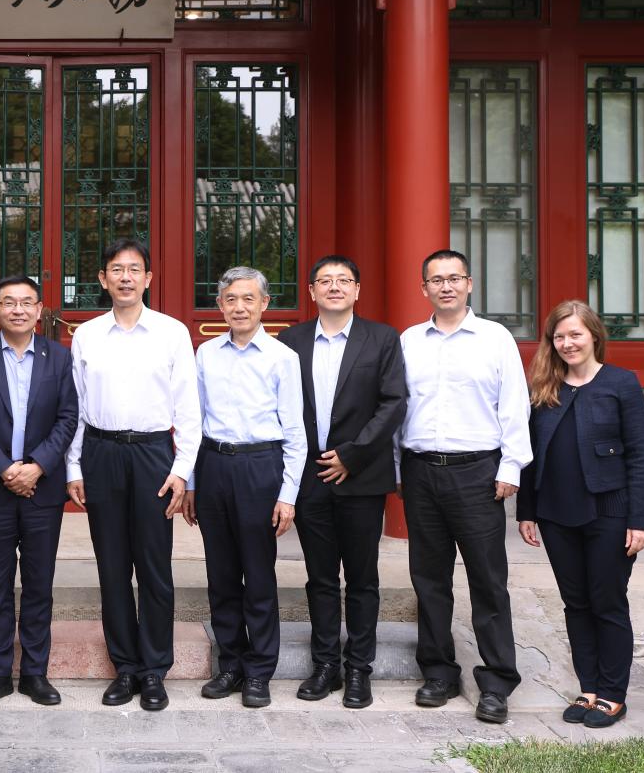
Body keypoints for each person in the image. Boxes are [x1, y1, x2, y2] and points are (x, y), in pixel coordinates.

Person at [65, 238, 201, 712]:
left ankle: (154, 668)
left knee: (154, 565)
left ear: (148, 278)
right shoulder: (87, 335)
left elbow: (188, 408)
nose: (125, 277)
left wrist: (182, 470)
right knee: (112, 565)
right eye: (116, 269)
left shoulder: (171, 332)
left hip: (152, 455)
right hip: (101, 452)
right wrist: (74, 465)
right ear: (103, 279)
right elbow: (77, 406)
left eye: (134, 269)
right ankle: (124, 666)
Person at [396, 249, 532, 723]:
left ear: (469, 284)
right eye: (436, 280)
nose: (446, 286)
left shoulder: (495, 339)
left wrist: (511, 467)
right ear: (424, 289)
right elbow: (398, 408)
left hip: (478, 473)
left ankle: (496, 682)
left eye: (454, 278)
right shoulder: (410, 341)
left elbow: (514, 404)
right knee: (429, 578)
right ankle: (438, 672)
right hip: (420, 471)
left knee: (488, 580)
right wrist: (397, 468)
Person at [278, 256, 407, 708]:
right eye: (325, 281)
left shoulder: (382, 338)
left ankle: (359, 670)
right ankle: (325, 666)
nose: (334, 287)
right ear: (311, 291)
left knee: (362, 578)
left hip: (361, 477)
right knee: (320, 578)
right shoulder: (290, 341)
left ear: (357, 290)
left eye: (343, 280)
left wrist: (353, 454)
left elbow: (393, 403)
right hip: (311, 476)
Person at [517, 300, 644, 729]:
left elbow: (639, 455)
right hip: (556, 513)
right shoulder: (544, 387)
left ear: (594, 335)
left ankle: (612, 694)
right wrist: (526, 511)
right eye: (559, 336)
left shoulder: (621, 383)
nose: (567, 343)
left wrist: (640, 520)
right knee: (575, 603)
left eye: (575, 334)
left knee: (606, 601)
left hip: (609, 512)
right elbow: (531, 456)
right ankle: (589, 687)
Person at [184, 266, 306, 708]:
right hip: (214, 464)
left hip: (260, 466)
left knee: (257, 574)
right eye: (231, 299)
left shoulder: (281, 357)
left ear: (264, 304)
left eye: (248, 298)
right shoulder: (205, 354)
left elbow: (295, 432)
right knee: (220, 574)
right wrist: (192, 482)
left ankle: (259, 671)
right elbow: (193, 421)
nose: (239, 307)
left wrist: (288, 495)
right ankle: (230, 664)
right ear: (220, 306)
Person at [0, 275, 79, 707]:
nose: (18, 310)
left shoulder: (58, 357)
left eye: (27, 302)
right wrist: (6, 469)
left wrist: (37, 466)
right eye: (9, 302)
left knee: (40, 584)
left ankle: (34, 673)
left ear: (40, 309)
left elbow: (68, 417)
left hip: (42, 489)